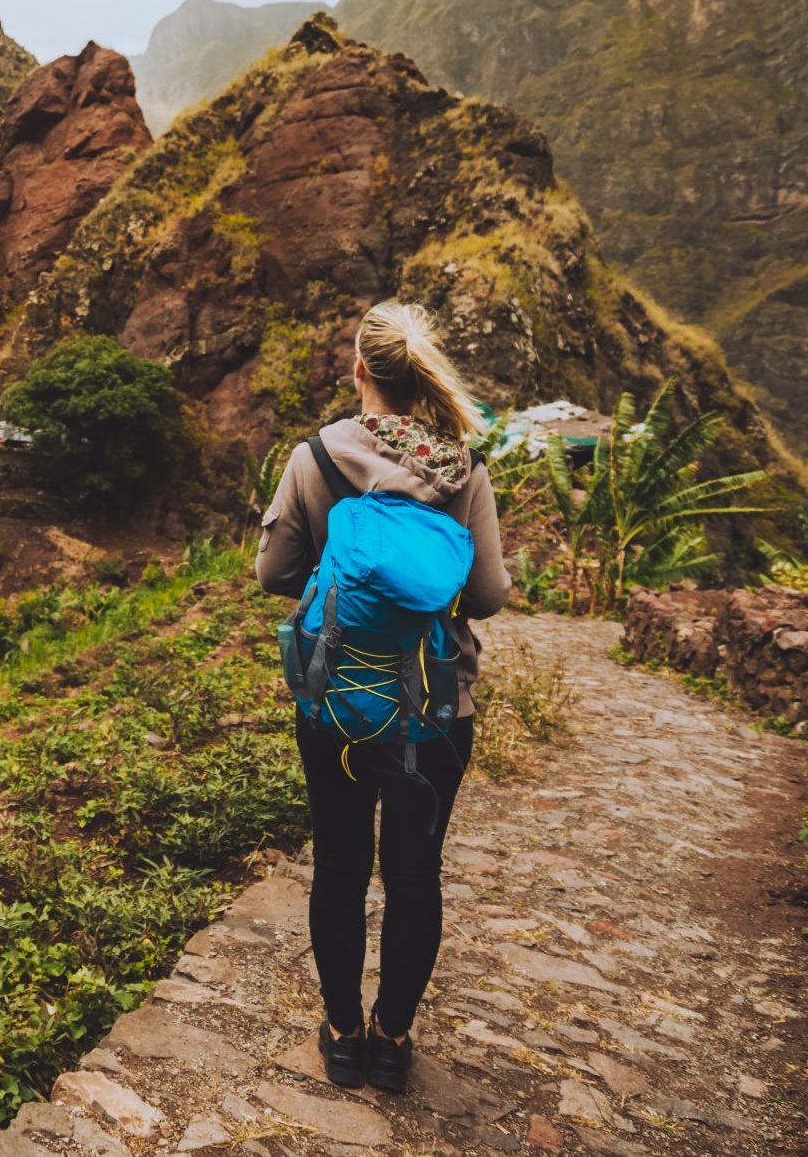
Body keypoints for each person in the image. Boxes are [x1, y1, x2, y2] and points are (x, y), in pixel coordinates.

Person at [256, 301, 509, 1093]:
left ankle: (341, 1032)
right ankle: (393, 1039)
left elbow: (271, 575)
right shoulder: (462, 468)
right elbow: (490, 593)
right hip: (435, 710)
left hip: (334, 701)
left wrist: (341, 587)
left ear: (359, 369)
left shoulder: (316, 459)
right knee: (415, 873)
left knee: (337, 865)